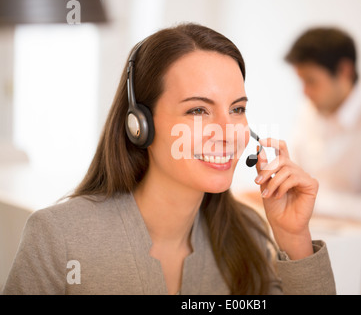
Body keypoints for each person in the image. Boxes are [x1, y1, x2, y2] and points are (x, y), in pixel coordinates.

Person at [2, 23, 335, 295]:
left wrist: (294, 239)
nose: (228, 131)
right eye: (197, 110)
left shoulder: (246, 235)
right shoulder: (58, 237)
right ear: (140, 125)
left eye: (237, 109)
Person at [284, 27, 361, 222]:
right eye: (301, 81)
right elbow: (296, 174)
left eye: (311, 81)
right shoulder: (309, 110)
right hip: (308, 227)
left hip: (357, 242)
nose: (305, 92)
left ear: (344, 70)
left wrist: (310, 200)